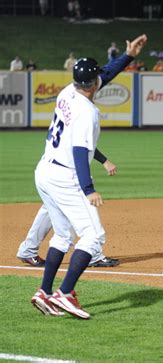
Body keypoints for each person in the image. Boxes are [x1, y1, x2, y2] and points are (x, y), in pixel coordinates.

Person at [30, 34, 147, 319]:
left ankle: (44, 292)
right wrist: (89, 188)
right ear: (93, 84)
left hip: (44, 170)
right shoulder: (87, 112)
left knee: (62, 235)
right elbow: (81, 152)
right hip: (66, 176)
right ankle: (65, 293)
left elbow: (103, 74)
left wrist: (128, 56)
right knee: (93, 237)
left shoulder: (68, 91)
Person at [17, 156, 120, 268]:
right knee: (82, 208)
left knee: (50, 209)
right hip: (64, 172)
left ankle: (28, 250)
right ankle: (93, 255)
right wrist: (104, 162)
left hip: (45, 169)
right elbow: (81, 146)